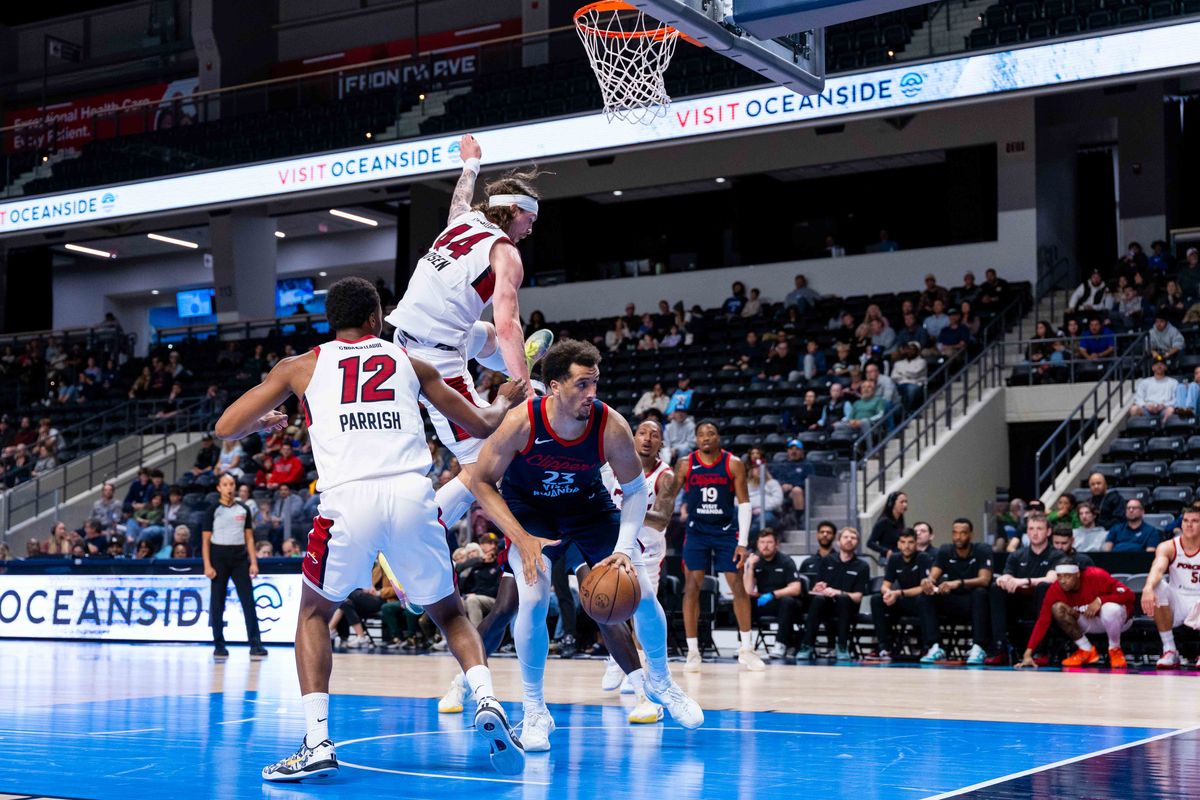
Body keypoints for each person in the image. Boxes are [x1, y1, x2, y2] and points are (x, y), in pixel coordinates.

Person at [215, 276, 527, 780]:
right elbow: (481, 425)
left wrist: (264, 421)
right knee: (449, 613)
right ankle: (487, 701)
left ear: (331, 320)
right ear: (376, 318)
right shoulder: (410, 361)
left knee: (315, 615)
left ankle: (317, 742)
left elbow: (226, 426)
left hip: (346, 501)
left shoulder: (300, 367)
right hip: (410, 495)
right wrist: (504, 399)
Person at [464, 340, 703, 750]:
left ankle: (661, 681)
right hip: (531, 512)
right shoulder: (522, 422)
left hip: (589, 508)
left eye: (595, 383)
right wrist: (520, 538)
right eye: (581, 385)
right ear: (554, 386)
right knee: (533, 600)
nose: (591, 393)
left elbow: (631, 490)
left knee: (642, 592)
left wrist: (624, 550)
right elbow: (481, 481)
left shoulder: (610, 424)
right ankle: (535, 710)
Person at [383, 132, 546, 538]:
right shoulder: (506, 253)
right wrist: (522, 387)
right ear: (513, 211)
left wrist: (470, 164)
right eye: (530, 220)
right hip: (434, 361)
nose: (531, 229)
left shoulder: (464, 221)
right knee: (483, 467)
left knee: (487, 335)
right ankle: (409, 541)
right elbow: (510, 322)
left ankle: (516, 361)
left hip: (413, 336)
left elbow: (460, 197)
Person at [656, 420, 765, 673]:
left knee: (737, 585)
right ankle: (693, 652)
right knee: (692, 587)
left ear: (718, 437)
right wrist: (659, 526)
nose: (706, 437)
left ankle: (746, 649)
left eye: (711, 433)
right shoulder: (685, 463)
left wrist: (743, 543)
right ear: (695, 438)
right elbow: (668, 498)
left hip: (726, 532)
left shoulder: (733, 463)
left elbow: (745, 504)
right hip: (696, 532)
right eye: (701, 434)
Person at [1016, 559, 1136, 669]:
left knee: (1110, 609)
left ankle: (1115, 649)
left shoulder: (1095, 575)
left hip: (1119, 622)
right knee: (1057, 608)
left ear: (1077, 574)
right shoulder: (1055, 589)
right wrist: (1028, 653)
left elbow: (1130, 595)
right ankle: (1086, 649)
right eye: (1059, 576)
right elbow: (1043, 621)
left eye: (1067, 576)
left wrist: (1100, 600)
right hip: (1090, 622)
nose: (1062, 581)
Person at [201, 473, 265, 662]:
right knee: (218, 603)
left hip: (239, 557)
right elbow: (205, 541)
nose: (229, 487)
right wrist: (207, 565)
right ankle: (219, 644)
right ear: (219, 488)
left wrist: (253, 562)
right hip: (218, 556)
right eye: (225, 484)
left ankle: (255, 644)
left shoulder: (243, 509)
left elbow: (249, 538)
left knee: (248, 600)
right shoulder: (212, 510)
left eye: (232, 484)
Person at [985, 513, 1062, 665]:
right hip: (1018, 603)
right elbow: (1008, 575)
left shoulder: (1057, 555)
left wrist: (1023, 581)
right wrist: (1003, 579)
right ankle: (1000, 648)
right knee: (995, 588)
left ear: (1048, 532)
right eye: (1031, 529)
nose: (1035, 532)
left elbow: (1051, 579)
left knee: (1044, 587)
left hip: (1044, 605)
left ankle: (1041, 649)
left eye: (1039, 528)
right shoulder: (1017, 555)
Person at [919, 518, 993, 665]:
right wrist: (927, 581)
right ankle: (935, 646)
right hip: (953, 602)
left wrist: (958, 583)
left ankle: (978, 647)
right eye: (955, 533)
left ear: (970, 535)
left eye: (962, 533)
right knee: (925, 596)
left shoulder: (982, 549)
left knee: (980, 592)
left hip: (975, 603)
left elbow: (985, 579)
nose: (958, 537)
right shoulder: (945, 550)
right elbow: (933, 576)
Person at [796, 527, 870, 661]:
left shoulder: (862, 566)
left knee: (843, 599)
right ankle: (806, 645)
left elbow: (858, 597)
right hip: (826, 605)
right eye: (846, 537)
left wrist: (838, 592)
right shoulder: (827, 561)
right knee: (818, 600)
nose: (849, 540)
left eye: (853, 538)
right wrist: (818, 588)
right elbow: (817, 587)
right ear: (838, 541)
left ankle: (842, 645)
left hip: (847, 606)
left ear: (857, 543)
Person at [1141, 508, 1200, 669]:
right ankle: (1170, 650)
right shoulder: (1169, 546)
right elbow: (1158, 568)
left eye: (1195, 521)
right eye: (1186, 521)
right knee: (1157, 585)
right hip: (1178, 599)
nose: (1189, 525)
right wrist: (1148, 587)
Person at [869, 529, 937, 660]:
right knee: (876, 599)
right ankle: (884, 647)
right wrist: (888, 594)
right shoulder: (894, 558)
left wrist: (898, 593)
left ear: (916, 543)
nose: (906, 546)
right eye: (903, 542)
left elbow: (924, 588)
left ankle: (927, 646)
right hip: (902, 601)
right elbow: (885, 585)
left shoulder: (923, 557)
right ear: (898, 544)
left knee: (924, 599)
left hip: (919, 602)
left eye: (910, 542)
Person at [745, 529, 803, 660]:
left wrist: (772, 594)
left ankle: (780, 644)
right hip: (764, 602)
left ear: (776, 544)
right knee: (743, 602)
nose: (765, 545)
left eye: (769, 542)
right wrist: (750, 568)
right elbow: (748, 590)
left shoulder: (786, 561)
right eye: (762, 542)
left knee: (787, 601)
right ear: (757, 544)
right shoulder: (756, 562)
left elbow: (796, 588)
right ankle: (744, 643)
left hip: (784, 603)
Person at [867, 491, 907, 561]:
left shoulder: (900, 521)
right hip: (887, 559)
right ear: (892, 504)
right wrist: (886, 551)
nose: (905, 505)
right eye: (901, 502)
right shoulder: (884, 522)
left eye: (906, 502)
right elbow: (870, 543)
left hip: (900, 557)